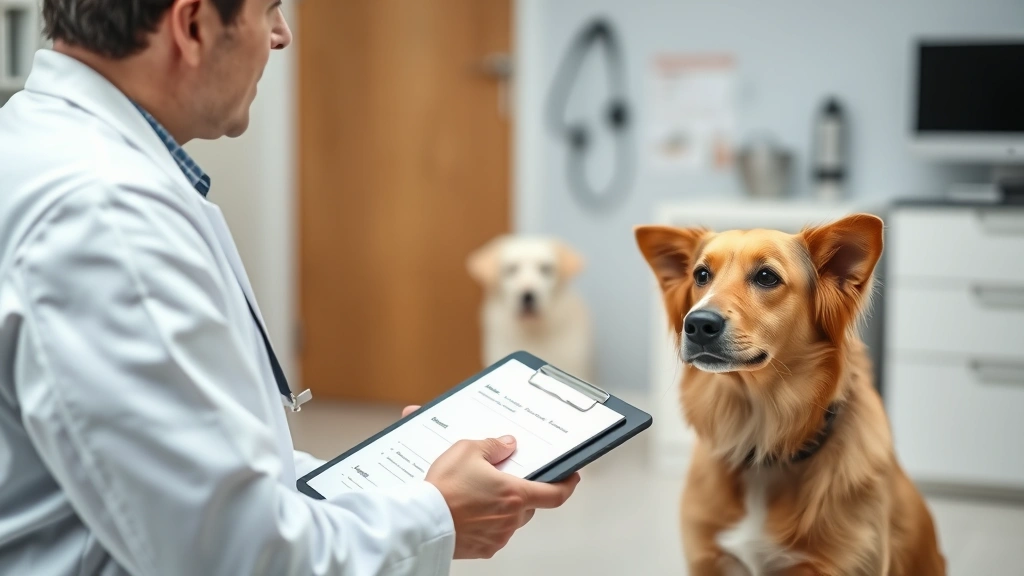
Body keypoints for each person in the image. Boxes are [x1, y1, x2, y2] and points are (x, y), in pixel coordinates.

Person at [0, 1, 580, 574]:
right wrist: (436, 511)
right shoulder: (104, 217)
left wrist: (388, 477)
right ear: (193, 24)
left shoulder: (44, 142)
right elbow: (232, 557)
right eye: (269, 10)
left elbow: (193, 471)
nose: (282, 36)